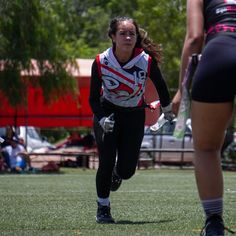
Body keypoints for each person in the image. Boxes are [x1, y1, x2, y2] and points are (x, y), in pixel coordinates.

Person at [89, 16, 174, 223]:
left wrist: (168, 111)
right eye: (122, 33)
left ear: (136, 37)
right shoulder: (101, 61)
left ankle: (118, 173)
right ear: (112, 36)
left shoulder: (145, 61)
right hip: (108, 114)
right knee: (106, 163)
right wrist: (101, 119)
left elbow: (161, 86)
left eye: (131, 34)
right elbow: (93, 98)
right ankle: (103, 208)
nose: (128, 37)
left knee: (127, 170)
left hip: (134, 116)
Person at [172, 0, 236, 235]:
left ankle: (214, 223)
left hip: (217, 54)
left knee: (207, 148)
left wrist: (182, 89)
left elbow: (195, 38)